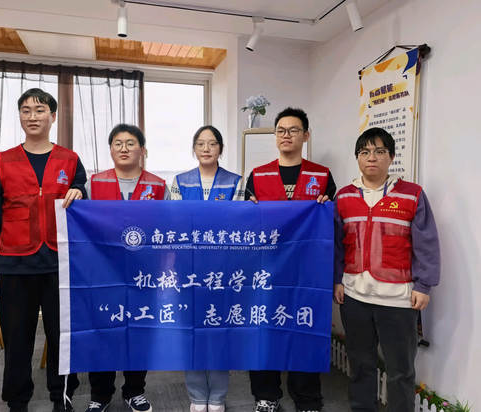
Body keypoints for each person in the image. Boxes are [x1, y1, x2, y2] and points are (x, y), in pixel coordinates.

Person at [0, 88, 85, 412]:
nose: (32, 116)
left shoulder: (70, 160)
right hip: (14, 264)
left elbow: (82, 195)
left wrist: (79, 190)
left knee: (61, 336)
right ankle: (17, 401)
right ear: (20, 117)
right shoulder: (1, 162)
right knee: (17, 340)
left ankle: (61, 397)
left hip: (58, 264)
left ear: (52, 116)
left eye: (39, 110)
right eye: (26, 110)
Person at [333, 127, 440, 412]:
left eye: (379, 151)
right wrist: (337, 279)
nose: (372, 157)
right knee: (360, 366)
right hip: (354, 297)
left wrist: (423, 285)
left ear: (391, 157)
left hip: (398, 300)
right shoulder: (344, 197)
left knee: (400, 371)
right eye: (365, 152)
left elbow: (426, 243)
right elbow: (337, 244)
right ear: (357, 158)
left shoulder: (412, 195)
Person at [245, 107, 336, 412]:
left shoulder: (322, 176)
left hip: (307, 273)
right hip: (266, 271)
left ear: (305, 135)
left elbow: (332, 224)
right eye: (281, 130)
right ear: (275, 136)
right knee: (264, 331)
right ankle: (266, 396)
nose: (286, 135)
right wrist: (248, 210)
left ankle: (307, 398)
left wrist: (326, 205)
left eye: (294, 130)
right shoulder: (258, 175)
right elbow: (246, 226)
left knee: (305, 330)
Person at [84, 123, 170, 412]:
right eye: (118, 143)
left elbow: (167, 229)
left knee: (139, 330)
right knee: (103, 331)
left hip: (144, 273)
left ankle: (135, 390)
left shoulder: (158, 186)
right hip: (103, 273)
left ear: (142, 150)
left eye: (131, 143)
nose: (124, 148)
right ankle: (100, 394)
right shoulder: (93, 184)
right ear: (110, 149)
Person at [171, 125, 244, 412]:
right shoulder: (179, 181)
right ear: (194, 148)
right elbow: (175, 222)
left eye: (212, 143)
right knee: (192, 332)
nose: (206, 148)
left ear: (220, 149)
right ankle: (197, 396)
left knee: (219, 331)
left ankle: (218, 397)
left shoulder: (236, 181)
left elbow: (236, 224)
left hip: (223, 271)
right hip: (187, 270)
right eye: (200, 143)